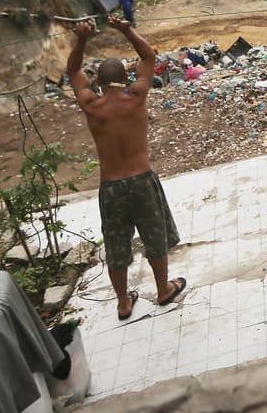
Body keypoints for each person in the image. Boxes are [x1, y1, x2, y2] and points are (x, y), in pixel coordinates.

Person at [67, 16, 186, 320]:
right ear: (125, 77)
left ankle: (123, 303)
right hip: (142, 181)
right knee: (154, 237)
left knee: (117, 246)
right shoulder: (136, 96)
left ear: (99, 81)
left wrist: (81, 39)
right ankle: (163, 290)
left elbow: (73, 71)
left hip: (112, 187)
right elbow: (149, 57)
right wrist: (125, 29)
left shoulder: (91, 104)